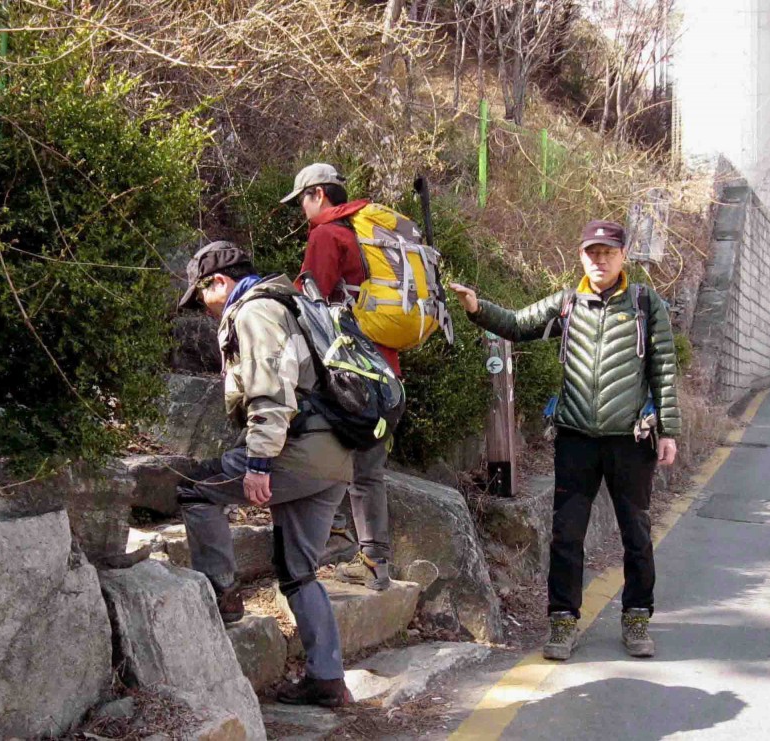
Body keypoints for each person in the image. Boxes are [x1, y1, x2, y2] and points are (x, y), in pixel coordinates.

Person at [449, 220, 680, 661]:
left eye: (608, 252)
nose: (600, 260)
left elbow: (664, 371)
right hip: (576, 438)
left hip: (630, 440)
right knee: (566, 535)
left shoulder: (646, 305)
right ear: (581, 257)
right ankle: (562, 622)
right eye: (592, 252)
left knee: (637, 533)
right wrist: (477, 307)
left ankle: (636, 618)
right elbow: (517, 325)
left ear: (622, 256)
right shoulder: (566, 303)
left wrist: (669, 429)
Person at [176, 240, 354, 707]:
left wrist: (258, 465)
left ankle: (222, 594)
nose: (204, 309)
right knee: (298, 572)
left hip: (296, 450)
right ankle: (327, 679)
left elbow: (271, 394)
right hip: (334, 454)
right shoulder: (287, 302)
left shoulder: (254, 313)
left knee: (195, 490)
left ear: (220, 282)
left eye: (202, 297)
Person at [280, 163, 394, 591]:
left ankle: (358, 554)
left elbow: (310, 300)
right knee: (368, 468)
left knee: (337, 456)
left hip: (350, 372)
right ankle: (371, 557)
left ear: (318, 195)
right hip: (384, 368)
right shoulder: (364, 234)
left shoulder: (326, 234)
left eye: (302, 201)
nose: (302, 211)